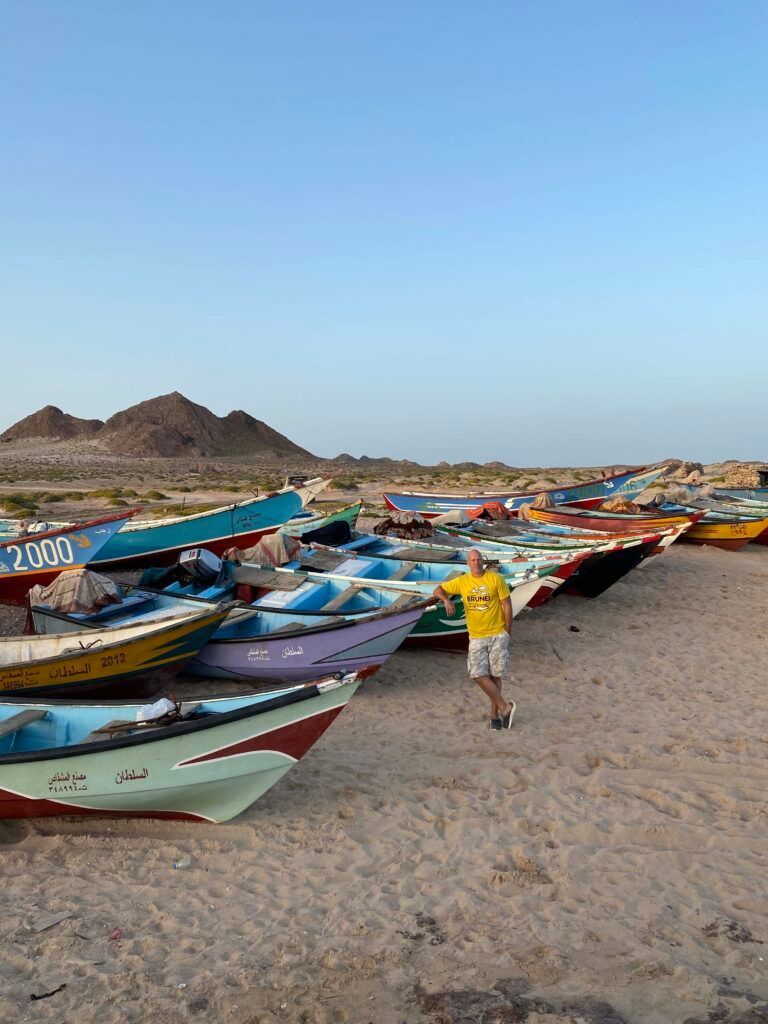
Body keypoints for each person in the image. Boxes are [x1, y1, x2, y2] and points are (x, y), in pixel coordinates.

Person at [432, 549, 515, 731]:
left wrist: (507, 631)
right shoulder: (462, 581)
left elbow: (507, 605)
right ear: (467, 564)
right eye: (473, 560)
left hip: (497, 633)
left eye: (479, 559)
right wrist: (446, 600)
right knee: (476, 673)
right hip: (477, 635)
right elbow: (437, 589)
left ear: (483, 562)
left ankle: (494, 718)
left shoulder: (496, 579)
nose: (476, 562)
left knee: (495, 675)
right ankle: (505, 707)